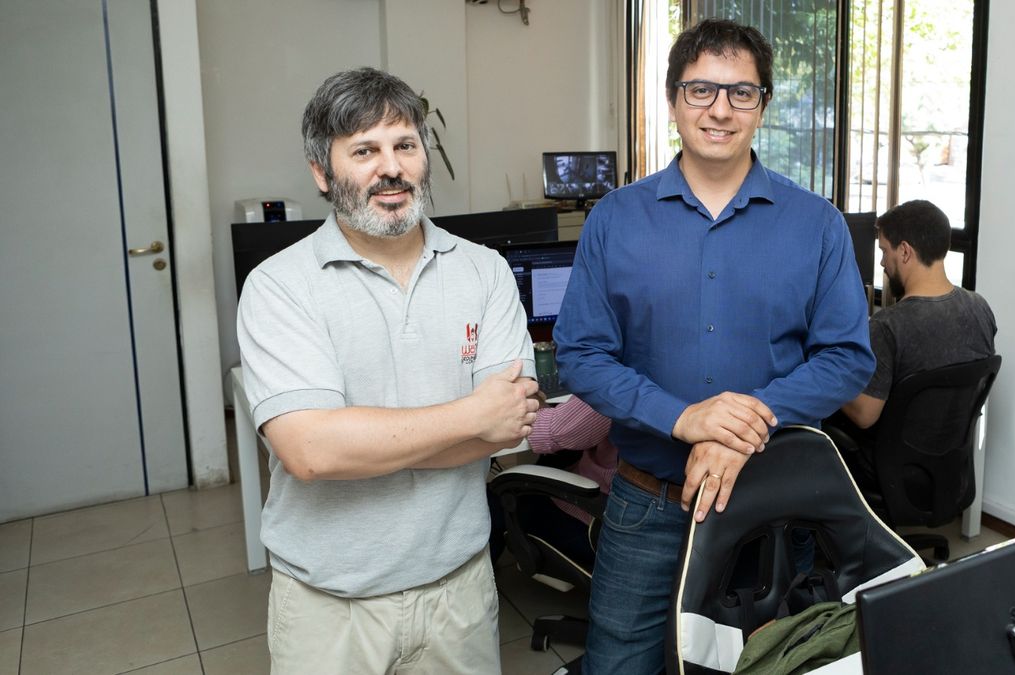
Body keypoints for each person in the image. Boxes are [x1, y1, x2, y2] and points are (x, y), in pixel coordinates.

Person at [552, 19, 875, 673]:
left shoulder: (817, 224)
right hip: (649, 503)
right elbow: (580, 352)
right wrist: (684, 417)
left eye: (741, 93)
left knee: (768, 664)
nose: (720, 110)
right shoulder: (616, 218)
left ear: (762, 106)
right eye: (701, 90)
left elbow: (848, 357)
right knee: (619, 664)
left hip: (773, 507)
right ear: (672, 100)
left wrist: (740, 422)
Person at [236, 67, 539, 674]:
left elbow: (507, 428)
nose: (391, 168)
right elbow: (311, 453)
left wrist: (362, 441)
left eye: (405, 146)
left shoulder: (483, 272)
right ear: (322, 172)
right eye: (365, 151)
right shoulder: (279, 286)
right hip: (329, 608)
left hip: (459, 592)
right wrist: (468, 416)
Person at [831, 199, 997, 475]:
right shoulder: (980, 307)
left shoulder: (888, 326)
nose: (883, 262)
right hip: (948, 467)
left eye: (884, 251)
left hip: (891, 470)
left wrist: (825, 369)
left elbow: (864, 416)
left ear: (905, 251)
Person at [489, 396, 618, 568]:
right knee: (557, 459)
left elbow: (549, 431)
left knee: (492, 499)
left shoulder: (617, 384)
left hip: (603, 527)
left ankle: (477, 587)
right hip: (650, 516)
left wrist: (534, 399)